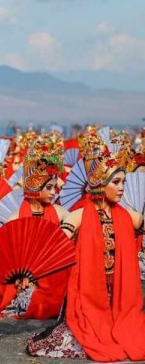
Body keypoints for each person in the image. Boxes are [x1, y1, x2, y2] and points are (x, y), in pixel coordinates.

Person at [27, 133, 145, 361]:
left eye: (123, 182)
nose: (121, 188)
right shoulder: (80, 215)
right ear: (100, 184)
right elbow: (56, 245)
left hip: (120, 295)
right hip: (87, 295)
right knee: (82, 332)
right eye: (116, 182)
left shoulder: (128, 216)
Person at [0, 137, 70, 319]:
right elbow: (5, 257)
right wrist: (20, 274)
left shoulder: (60, 212)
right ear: (35, 187)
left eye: (54, 187)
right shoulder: (15, 217)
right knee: (40, 301)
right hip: (23, 278)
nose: (53, 192)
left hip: (51, 273)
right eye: (49, 187)